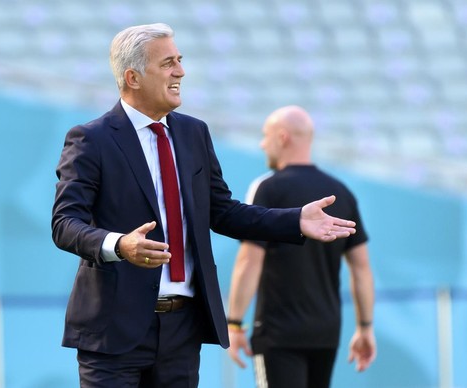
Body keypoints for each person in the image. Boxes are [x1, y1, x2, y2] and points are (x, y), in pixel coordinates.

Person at [51, 23, 357, 388]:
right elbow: (65, 223)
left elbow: (223, 211)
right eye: (168, 63)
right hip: (113, 330)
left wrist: (294, 220)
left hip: (182, 329)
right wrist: (120, 245)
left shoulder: (193, 133)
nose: (180, 71)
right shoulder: (91, 139)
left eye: (179, 60)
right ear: (133, 77)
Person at [226, 106, 376, 388]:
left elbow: (250, 260)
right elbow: (361, 268)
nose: (262, 144)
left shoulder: (268, 188)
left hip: (278, 332)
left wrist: (234, 323)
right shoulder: (341, 192)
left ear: (282, 138)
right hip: (326, 332)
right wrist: (365, 327)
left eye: (265, 136)